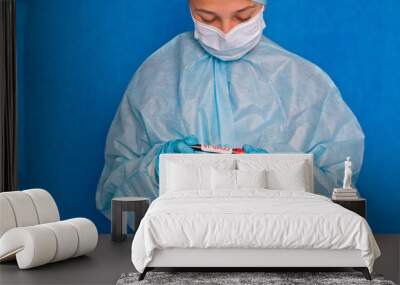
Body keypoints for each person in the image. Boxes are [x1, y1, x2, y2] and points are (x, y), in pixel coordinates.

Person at [96, 0, 364, 218]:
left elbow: (338, 192)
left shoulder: (303, 84)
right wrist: (157, 167)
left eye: (242, 16)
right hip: (183, 248)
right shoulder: (157, 76)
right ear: (190, 7)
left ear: (262, 7)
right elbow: (114, 195)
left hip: (276, 247)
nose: (225, 31)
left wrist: (277, 172)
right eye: (208, 18)